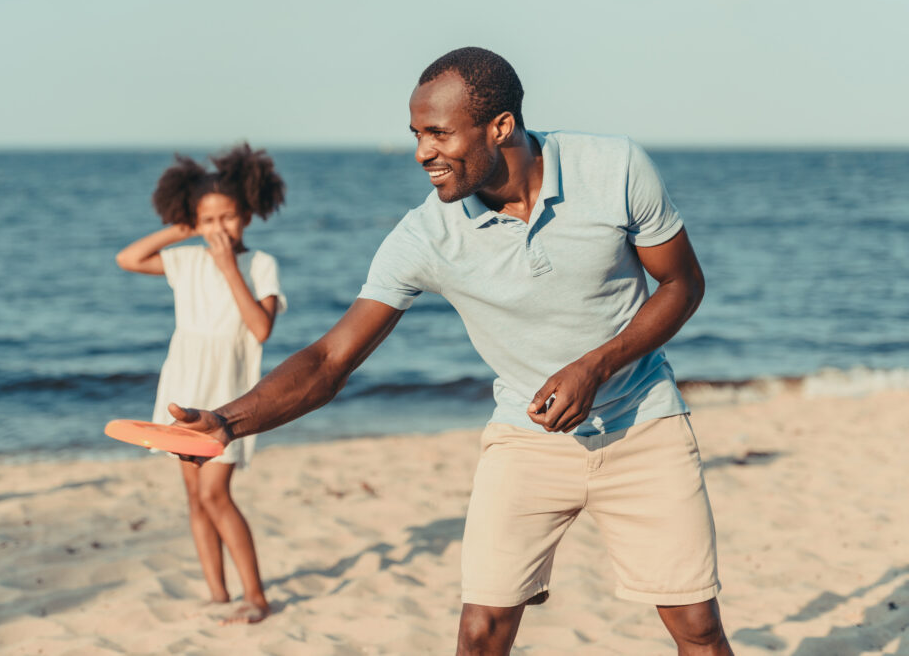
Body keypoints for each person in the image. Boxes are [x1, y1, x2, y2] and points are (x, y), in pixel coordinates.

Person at [168, 48, 733, 654]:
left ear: (501, 126)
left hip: (643, 424)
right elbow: (331, 359)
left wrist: (596, 364)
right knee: (480, 632)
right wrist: (228, 422)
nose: (421, 153)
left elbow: (682, 284)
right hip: (525, 437)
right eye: (415, 135)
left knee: (697, 629)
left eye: (438, 133)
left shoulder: (613, 166)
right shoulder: (426, 235)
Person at [116, 143, 286, 624]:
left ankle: (256, 596)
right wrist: (185, 230)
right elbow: (128, 258)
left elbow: (261, 328)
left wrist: (230, 266)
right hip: (185, 387)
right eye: (207, 221)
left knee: (216, 493)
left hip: (229, 397)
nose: (219, 229)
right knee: (194, 496)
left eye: (228, 217)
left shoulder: (260, 265)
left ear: (248, 215)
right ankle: (218, 594)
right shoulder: (186, 260)